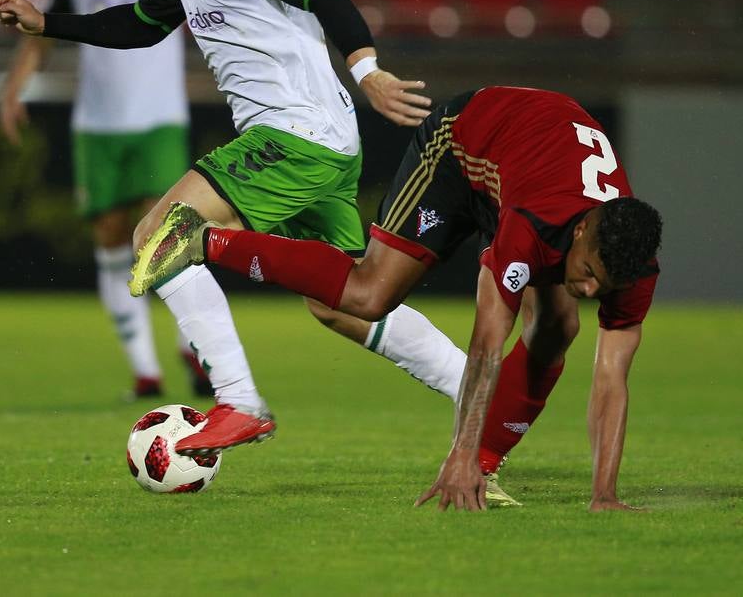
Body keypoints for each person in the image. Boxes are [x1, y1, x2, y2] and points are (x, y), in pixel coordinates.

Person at [0, 0, 463, 460]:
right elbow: (139, 24)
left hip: (295, 135)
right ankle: (476, 386)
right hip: (320, 140)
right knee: (346, 300)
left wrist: (369, 70)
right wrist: (49, 25)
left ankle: (239, 400)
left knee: (157, 234)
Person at [139, 86, 663, 512]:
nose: (592, 290)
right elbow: (486, 345)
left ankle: (483, 466)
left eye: (604, 287)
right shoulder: (535, 226)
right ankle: (202, 238)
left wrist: (605, 495)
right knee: (369, 296)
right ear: (580, 236)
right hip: (465, 143)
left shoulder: (629, 262)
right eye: (589, 274)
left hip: (527, 165)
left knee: (558, 326)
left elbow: (612, 378)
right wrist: (457, 454)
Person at [0, 0, 211, 401]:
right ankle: (144, 372)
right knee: (112, 238)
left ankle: (194, 351)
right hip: (98, 123)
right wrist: (16, 85)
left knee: (164, 233)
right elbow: (46, 29)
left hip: (159, 118)